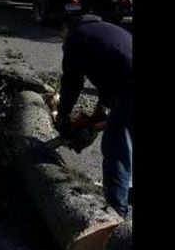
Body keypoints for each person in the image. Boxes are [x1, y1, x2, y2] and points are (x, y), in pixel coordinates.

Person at [56, 14, 133, 217]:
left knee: (116, 145)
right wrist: (98, 114)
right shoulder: (105, 29)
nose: (61, 37)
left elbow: (72, 82)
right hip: (127, 82)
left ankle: (117, 210)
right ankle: (124, 192)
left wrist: (63, 115)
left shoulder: (76, 38)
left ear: (67, 27)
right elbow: (111, 78)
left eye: (61, 33)